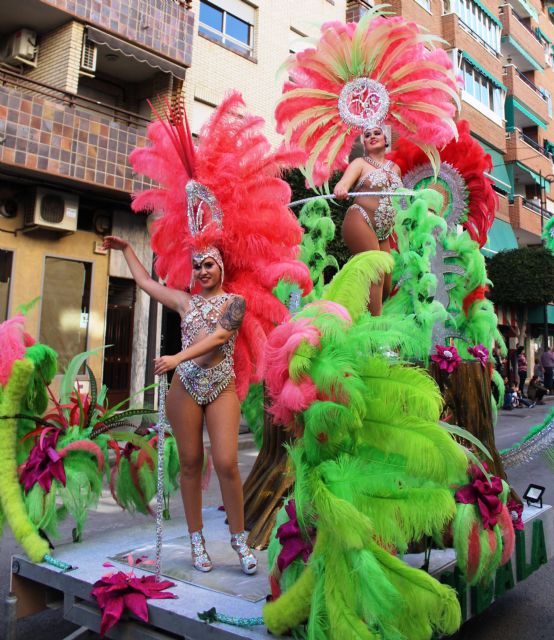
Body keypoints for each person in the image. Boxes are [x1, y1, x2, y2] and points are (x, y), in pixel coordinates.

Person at [102, 236, 257, 576]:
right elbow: (144, 282)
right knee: (190, 463)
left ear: (221, 267)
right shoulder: (184, 302)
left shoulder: (235, 302)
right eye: (197, 266)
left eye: (209, 265)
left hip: (220, 385)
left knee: (227, 462)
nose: (202, 271)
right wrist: (126, 248)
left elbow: (218, 338)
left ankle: (239, 539)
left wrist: (175, 357)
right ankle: (196, 540)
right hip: (184, 388)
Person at [333, 126, 402, 316]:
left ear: (386, 139)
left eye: (377, 133)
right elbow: (344, 184)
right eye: (367, 135)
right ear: (364, 143)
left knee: (386, 287)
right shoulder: (360, 163)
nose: (372, 136)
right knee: (376, 271)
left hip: (383, 233)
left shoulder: (396, 169)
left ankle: (352, 314)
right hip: (360, 219)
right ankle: (374, 334)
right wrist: (341, 188)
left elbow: (400, 201)